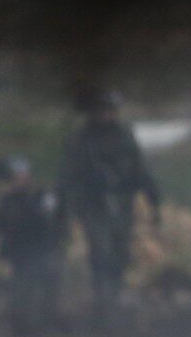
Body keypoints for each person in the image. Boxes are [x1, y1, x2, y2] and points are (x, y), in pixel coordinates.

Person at [56, 88, 159, 324]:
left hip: (121, 202)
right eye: (101, 110)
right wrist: (64, 208)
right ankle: (104, 303)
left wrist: (152, 199)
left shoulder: (124, 135)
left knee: (120, 253)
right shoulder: (81, 139)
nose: (106, 115)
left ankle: (114, 297)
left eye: (110, 110)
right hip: (93, 203)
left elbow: (139, 168)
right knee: (100, 252)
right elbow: (68, 175)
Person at [0, 156, 66, 336]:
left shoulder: (42, 196)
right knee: (20, 288)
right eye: (15, 176)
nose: (18, 180)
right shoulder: (8, 199)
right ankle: (22, 324)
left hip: (40, 249)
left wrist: (24, 200)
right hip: (19, 251)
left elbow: (48, 219)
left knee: (41, 286)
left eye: (21, 176)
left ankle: (44, 321)